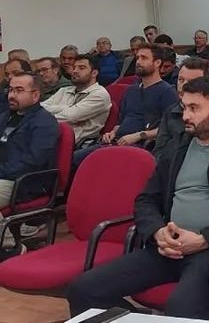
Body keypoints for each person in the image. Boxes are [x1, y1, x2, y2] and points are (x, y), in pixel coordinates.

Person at [67, 76, 209, 319]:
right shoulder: (178, 147)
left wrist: (205, 239)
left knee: (180, 309)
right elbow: (146, 199)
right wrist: (157, 231)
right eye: (184, 107)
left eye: (194, 108)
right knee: (84, 290)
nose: (185, 115)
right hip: (167, 247)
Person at [73, 45, 178, 167]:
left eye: (144, 58)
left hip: (142, 146)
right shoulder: (131, 91)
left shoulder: (167, 92)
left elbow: (170, 127)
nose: (138, 62)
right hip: (117, 141)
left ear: (157, 63)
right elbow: (120, 122)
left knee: (97, 162)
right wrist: (112, 133)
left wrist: (139, 135)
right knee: (75, 158)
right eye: (137, 58)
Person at [0, 72, 60, 256]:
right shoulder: (5, 117)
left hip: (25, 182)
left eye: (19, 90)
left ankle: (11, 248)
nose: (12, 95)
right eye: (10, 90)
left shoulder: (44, 123)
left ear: (35, 95)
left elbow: (32, 162)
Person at [42, 54, 111, 146]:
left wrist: (42, 118)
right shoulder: (64, 90)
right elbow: (40, 108)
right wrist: (66, 108)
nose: (74, 71)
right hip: (50, 134)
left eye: (81, 68)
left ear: (94, 73)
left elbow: (69, 117)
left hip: (77, 144)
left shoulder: (100, 94)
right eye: (74, 67)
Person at [152, 57, 209, 159]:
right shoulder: (170, 112)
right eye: (181, 80)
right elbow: (159, 152)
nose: (183, 85)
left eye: (192, 82)